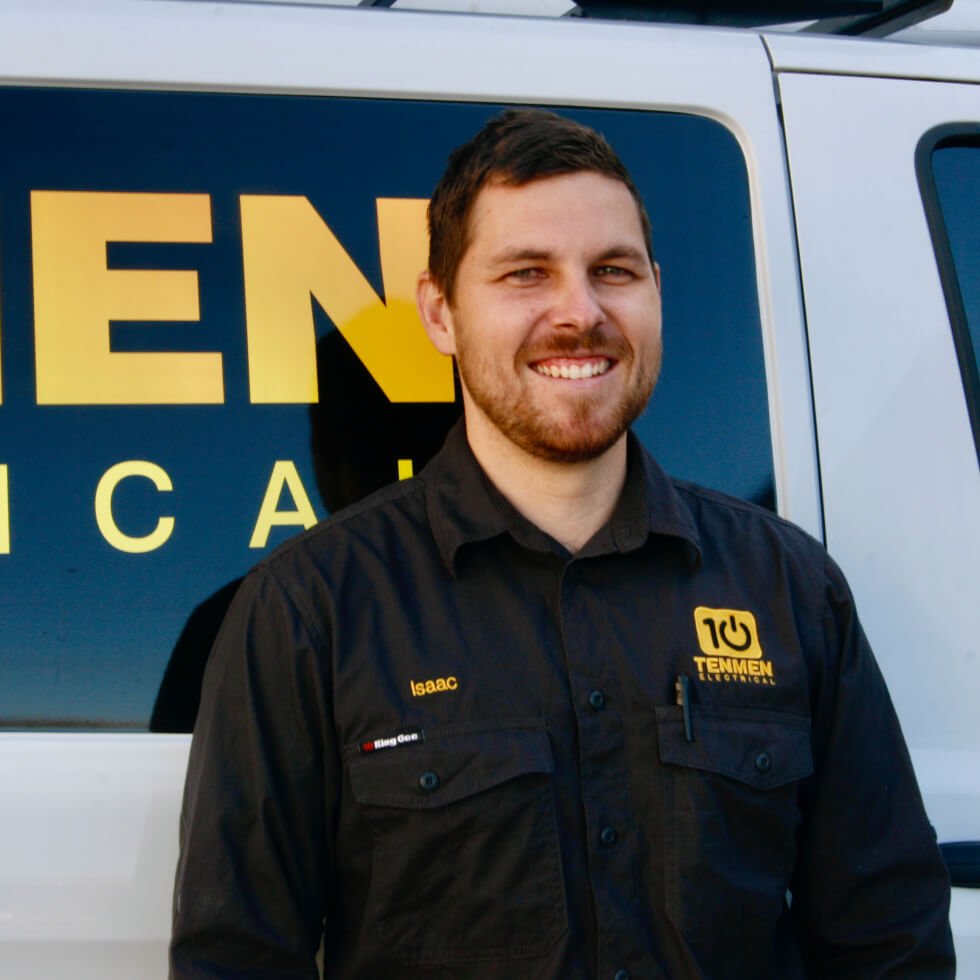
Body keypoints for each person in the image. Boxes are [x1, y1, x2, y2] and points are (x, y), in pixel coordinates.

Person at [171, 109, 954, 978]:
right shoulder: (311, 612)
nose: (579, 313)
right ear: (440, 313)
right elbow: (236, 961)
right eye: (525, 275)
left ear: (655, 289)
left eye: (612, 271)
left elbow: (892, 942)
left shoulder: (789, 589)